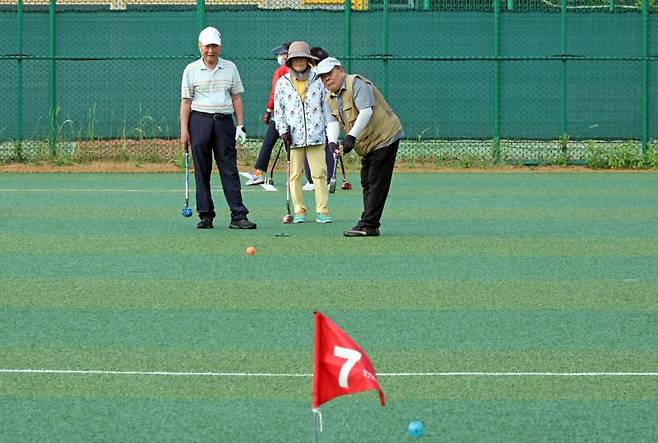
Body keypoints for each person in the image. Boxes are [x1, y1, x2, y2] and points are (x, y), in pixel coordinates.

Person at [316, 57, 404, 237]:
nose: (327, 79)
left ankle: (369, 224)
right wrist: (332, 142)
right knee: (367, 180)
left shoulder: (357, 84)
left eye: (329, 74)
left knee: (376, 181)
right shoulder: (329, 97)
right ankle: (369, 223)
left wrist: (350, 138)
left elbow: (366, 111)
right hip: (367, 143)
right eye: (322, 77)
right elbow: (332, 122)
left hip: (385, 136)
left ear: (340, 70)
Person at [180, 26, 256, 230]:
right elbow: (186, 102)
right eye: (207, 46)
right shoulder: (191, 70)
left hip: (224, 123)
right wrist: (184, 131)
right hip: (199, 122)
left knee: (229, 169)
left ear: (219, 47)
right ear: (200, 47)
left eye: (214, 46)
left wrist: (240, 125)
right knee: (202, 170)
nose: (210, 51)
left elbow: (236, 97)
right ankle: (205, 215)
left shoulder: (230, 67)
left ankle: (238, 215)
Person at [273, 41, 332, 224]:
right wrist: (282, 130)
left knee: (319, 173)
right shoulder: (283, 83)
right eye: (295, 58)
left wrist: (329, 130)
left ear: (309, 60)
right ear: (289, 61)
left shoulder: (318, 80)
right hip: (293, 136)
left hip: (316, 135)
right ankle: (299, 210)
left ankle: (322, 210)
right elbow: (279, 109)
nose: (299, 61)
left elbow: (326, 107)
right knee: (294, 175)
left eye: (303, 58)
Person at [245, 42, 291, 186]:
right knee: (293, 146)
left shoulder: (281, 71)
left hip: (280, 115)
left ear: (287, 55)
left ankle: (259, 174)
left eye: (281, 54)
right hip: (296, 115)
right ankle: (293, 177)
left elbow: (275, 94)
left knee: (269, 143)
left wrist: (268, 111)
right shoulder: (305, 70)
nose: (279, 57)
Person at [302, 46, 334, 192]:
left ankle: (317, 180)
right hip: (321, 117)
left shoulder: (316, 74)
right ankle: (324, 179)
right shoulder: (325, 73)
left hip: (320, 118)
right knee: (325, 147)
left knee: (319, 147)